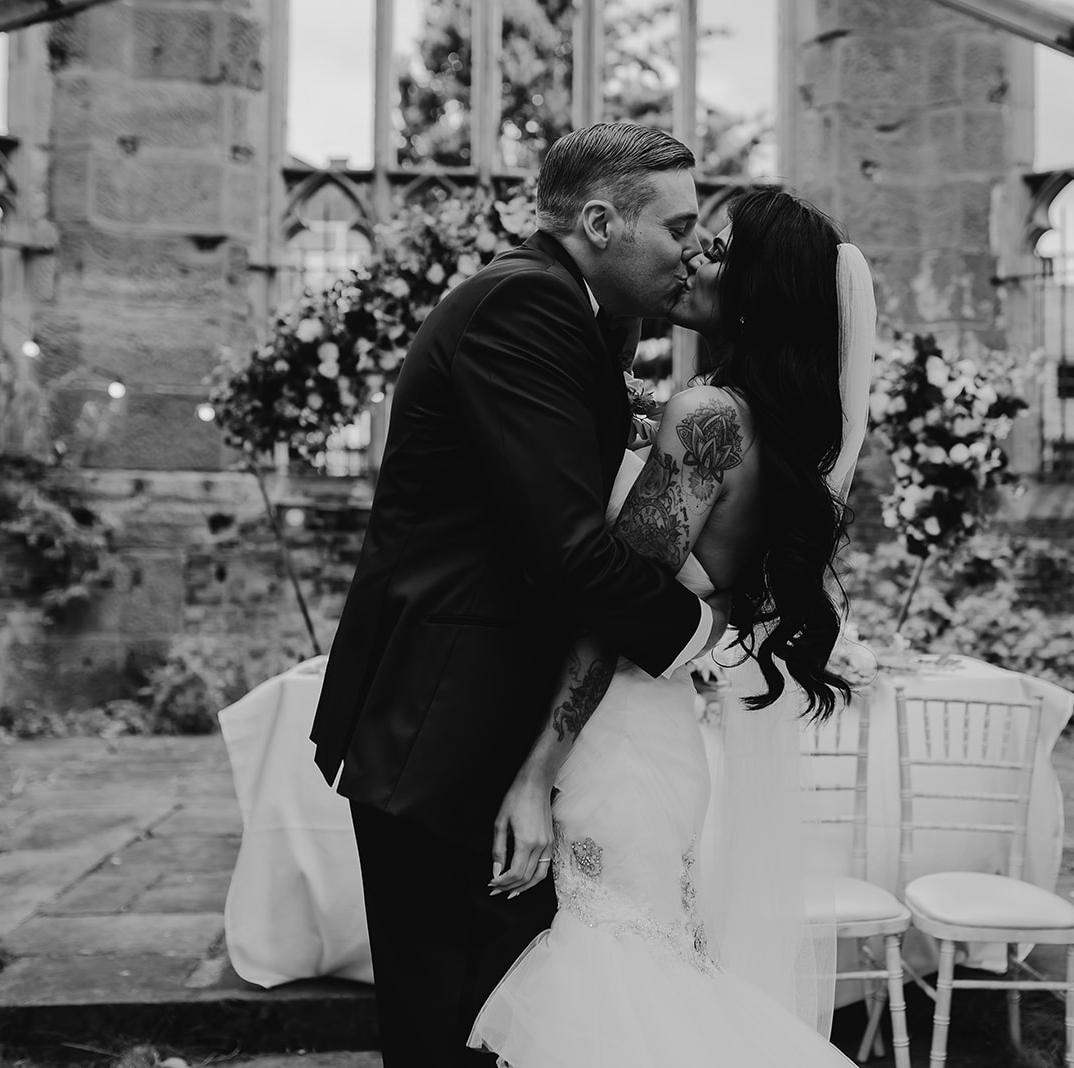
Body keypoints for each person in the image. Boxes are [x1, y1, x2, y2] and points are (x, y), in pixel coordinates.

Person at [309, 122, 730, 1068]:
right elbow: (569, 552)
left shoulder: (578, 312)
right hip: (448, 726)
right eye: (678, 229)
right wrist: (707, 632)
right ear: (598, 220)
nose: (694, 252)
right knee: (453, 1024)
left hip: (483, 722)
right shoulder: (524, 309)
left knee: (505, 1022)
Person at [468, 186, 876, 1066]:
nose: (692, 257)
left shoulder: (712, 419)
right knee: (644, 975)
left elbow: (620, 608)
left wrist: (537, 772)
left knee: (615, 990)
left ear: (762, 292)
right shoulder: (743, 419)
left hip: (617, 743)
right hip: (654, 735)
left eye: (719, 251)